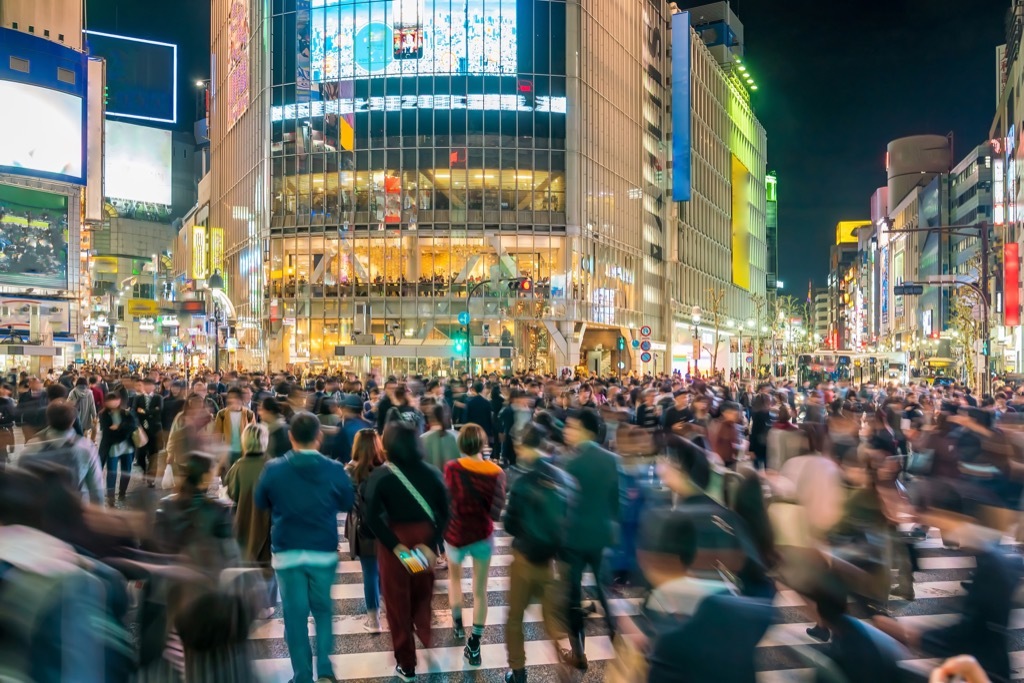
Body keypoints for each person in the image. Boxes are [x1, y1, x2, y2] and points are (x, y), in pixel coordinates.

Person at [255, 412, 354, 683]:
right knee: (322, 611)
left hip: (287, 552)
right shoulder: (334, 469)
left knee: (295, 617)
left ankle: (301, 675)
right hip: (322, 550)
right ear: (319, 437)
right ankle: (324, 669)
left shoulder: (274, 468)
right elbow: (347, 502)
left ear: (290, 437)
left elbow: (260, 502)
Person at [364, 420, 449, 681]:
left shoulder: (381, 475)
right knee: (421, 593)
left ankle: (407, 663)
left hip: (396, 547)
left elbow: (371, 517)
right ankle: (424, 631)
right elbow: (445, 513)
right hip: (424, 542)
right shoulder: (432, 473)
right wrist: (432, 542)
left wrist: (395, 546)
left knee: (397, 603)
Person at [503, 423, 577, 683]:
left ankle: (519, 672)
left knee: (515, 617)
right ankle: (564, 658)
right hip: (552, 561)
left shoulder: (521, 481)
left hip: (524, 558)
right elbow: (569, 518)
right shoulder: (563, 478)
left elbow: (510, 523)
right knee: (552, 618)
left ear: (523, 446)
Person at [443, 423, 506, 666]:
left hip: (456, 533)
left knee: (455, 578)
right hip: (482, 534)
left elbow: (446, 498)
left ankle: (458, 623)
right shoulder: (496, 472)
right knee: (480, 589)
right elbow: (497, 512)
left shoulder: (452, 468)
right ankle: (475, 643)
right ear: (482, 444)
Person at [560, 408, 619, 668]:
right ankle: (616, 637)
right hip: (602, 533)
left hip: (573, 539)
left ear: (584, 430)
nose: (567, 431)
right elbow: (616, 501)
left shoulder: (568, 462)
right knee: (602, 590)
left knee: (573, 595)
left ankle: (579, 652)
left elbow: (562, 505)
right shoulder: (611, 460)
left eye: (571, 427)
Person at [224, 422, 274, 617]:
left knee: (245, 561)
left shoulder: (237, 468)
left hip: (242, 521)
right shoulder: (271, 466)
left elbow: (230, 494)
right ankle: (264, 605)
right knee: (265, 563)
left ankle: (245, 601)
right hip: (266, 522)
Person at [19, 399, 103, 505]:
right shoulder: (86, 447)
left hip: (43, 510)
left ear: (48, 419)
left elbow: (22, 485)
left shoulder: (32, 446)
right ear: (73, 420)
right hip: (76, 508)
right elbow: (96, 487)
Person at [344, 428, 385, 632]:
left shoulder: (349, 470)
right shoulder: (386, 469)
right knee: (383, 569)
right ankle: (388, 606)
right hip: (386, 528)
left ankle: (374, 620)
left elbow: (346, 502)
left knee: (369, 572)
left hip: (362, 529)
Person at [98, 391, 137, 503]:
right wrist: (124, 431)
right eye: (110, 400)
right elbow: (108, 432)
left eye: (115, 400)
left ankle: (122, 493)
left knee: (126, 472)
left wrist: (119, 427)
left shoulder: (126, 413)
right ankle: (110, 497)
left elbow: (132, 427)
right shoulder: (103, 414)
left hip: (127, 448)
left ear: (119, 401)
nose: (113, 402)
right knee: (112, 472)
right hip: (112, 448)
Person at [131, 377, 164, 487]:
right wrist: (137, 424)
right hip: (141, 430)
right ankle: (145, 471)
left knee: (154, 455)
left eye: (151, 385)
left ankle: (151, 478)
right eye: (146, 385)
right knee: (140, 455)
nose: (148, 387)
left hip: (155, 430)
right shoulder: (138, 398)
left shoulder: (158, 398)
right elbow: (134, 412)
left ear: (154, 386)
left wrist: (144, 411)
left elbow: (159, 411)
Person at [214, 387, 256, 469]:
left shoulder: (249, 414)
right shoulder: (222, 414)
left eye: (235, 397)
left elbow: (253, 435)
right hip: (227, 454)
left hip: (244, 453)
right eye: (230, 397)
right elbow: (217, 436)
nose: (232, 400)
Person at [421, 402, 459, 470]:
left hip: (432, 479)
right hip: (454, 479)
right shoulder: (458, 436)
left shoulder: (422, 439)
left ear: (430, 418)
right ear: (449, 418)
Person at [69, 377, 97, 441]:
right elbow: (92, 405)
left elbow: (68, 404)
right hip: (86, 415)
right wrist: (94, 416)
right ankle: (84, 444)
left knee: (77, 431)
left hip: (75, 415)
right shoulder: (89, 392)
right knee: (84, 430)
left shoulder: (73, 392)